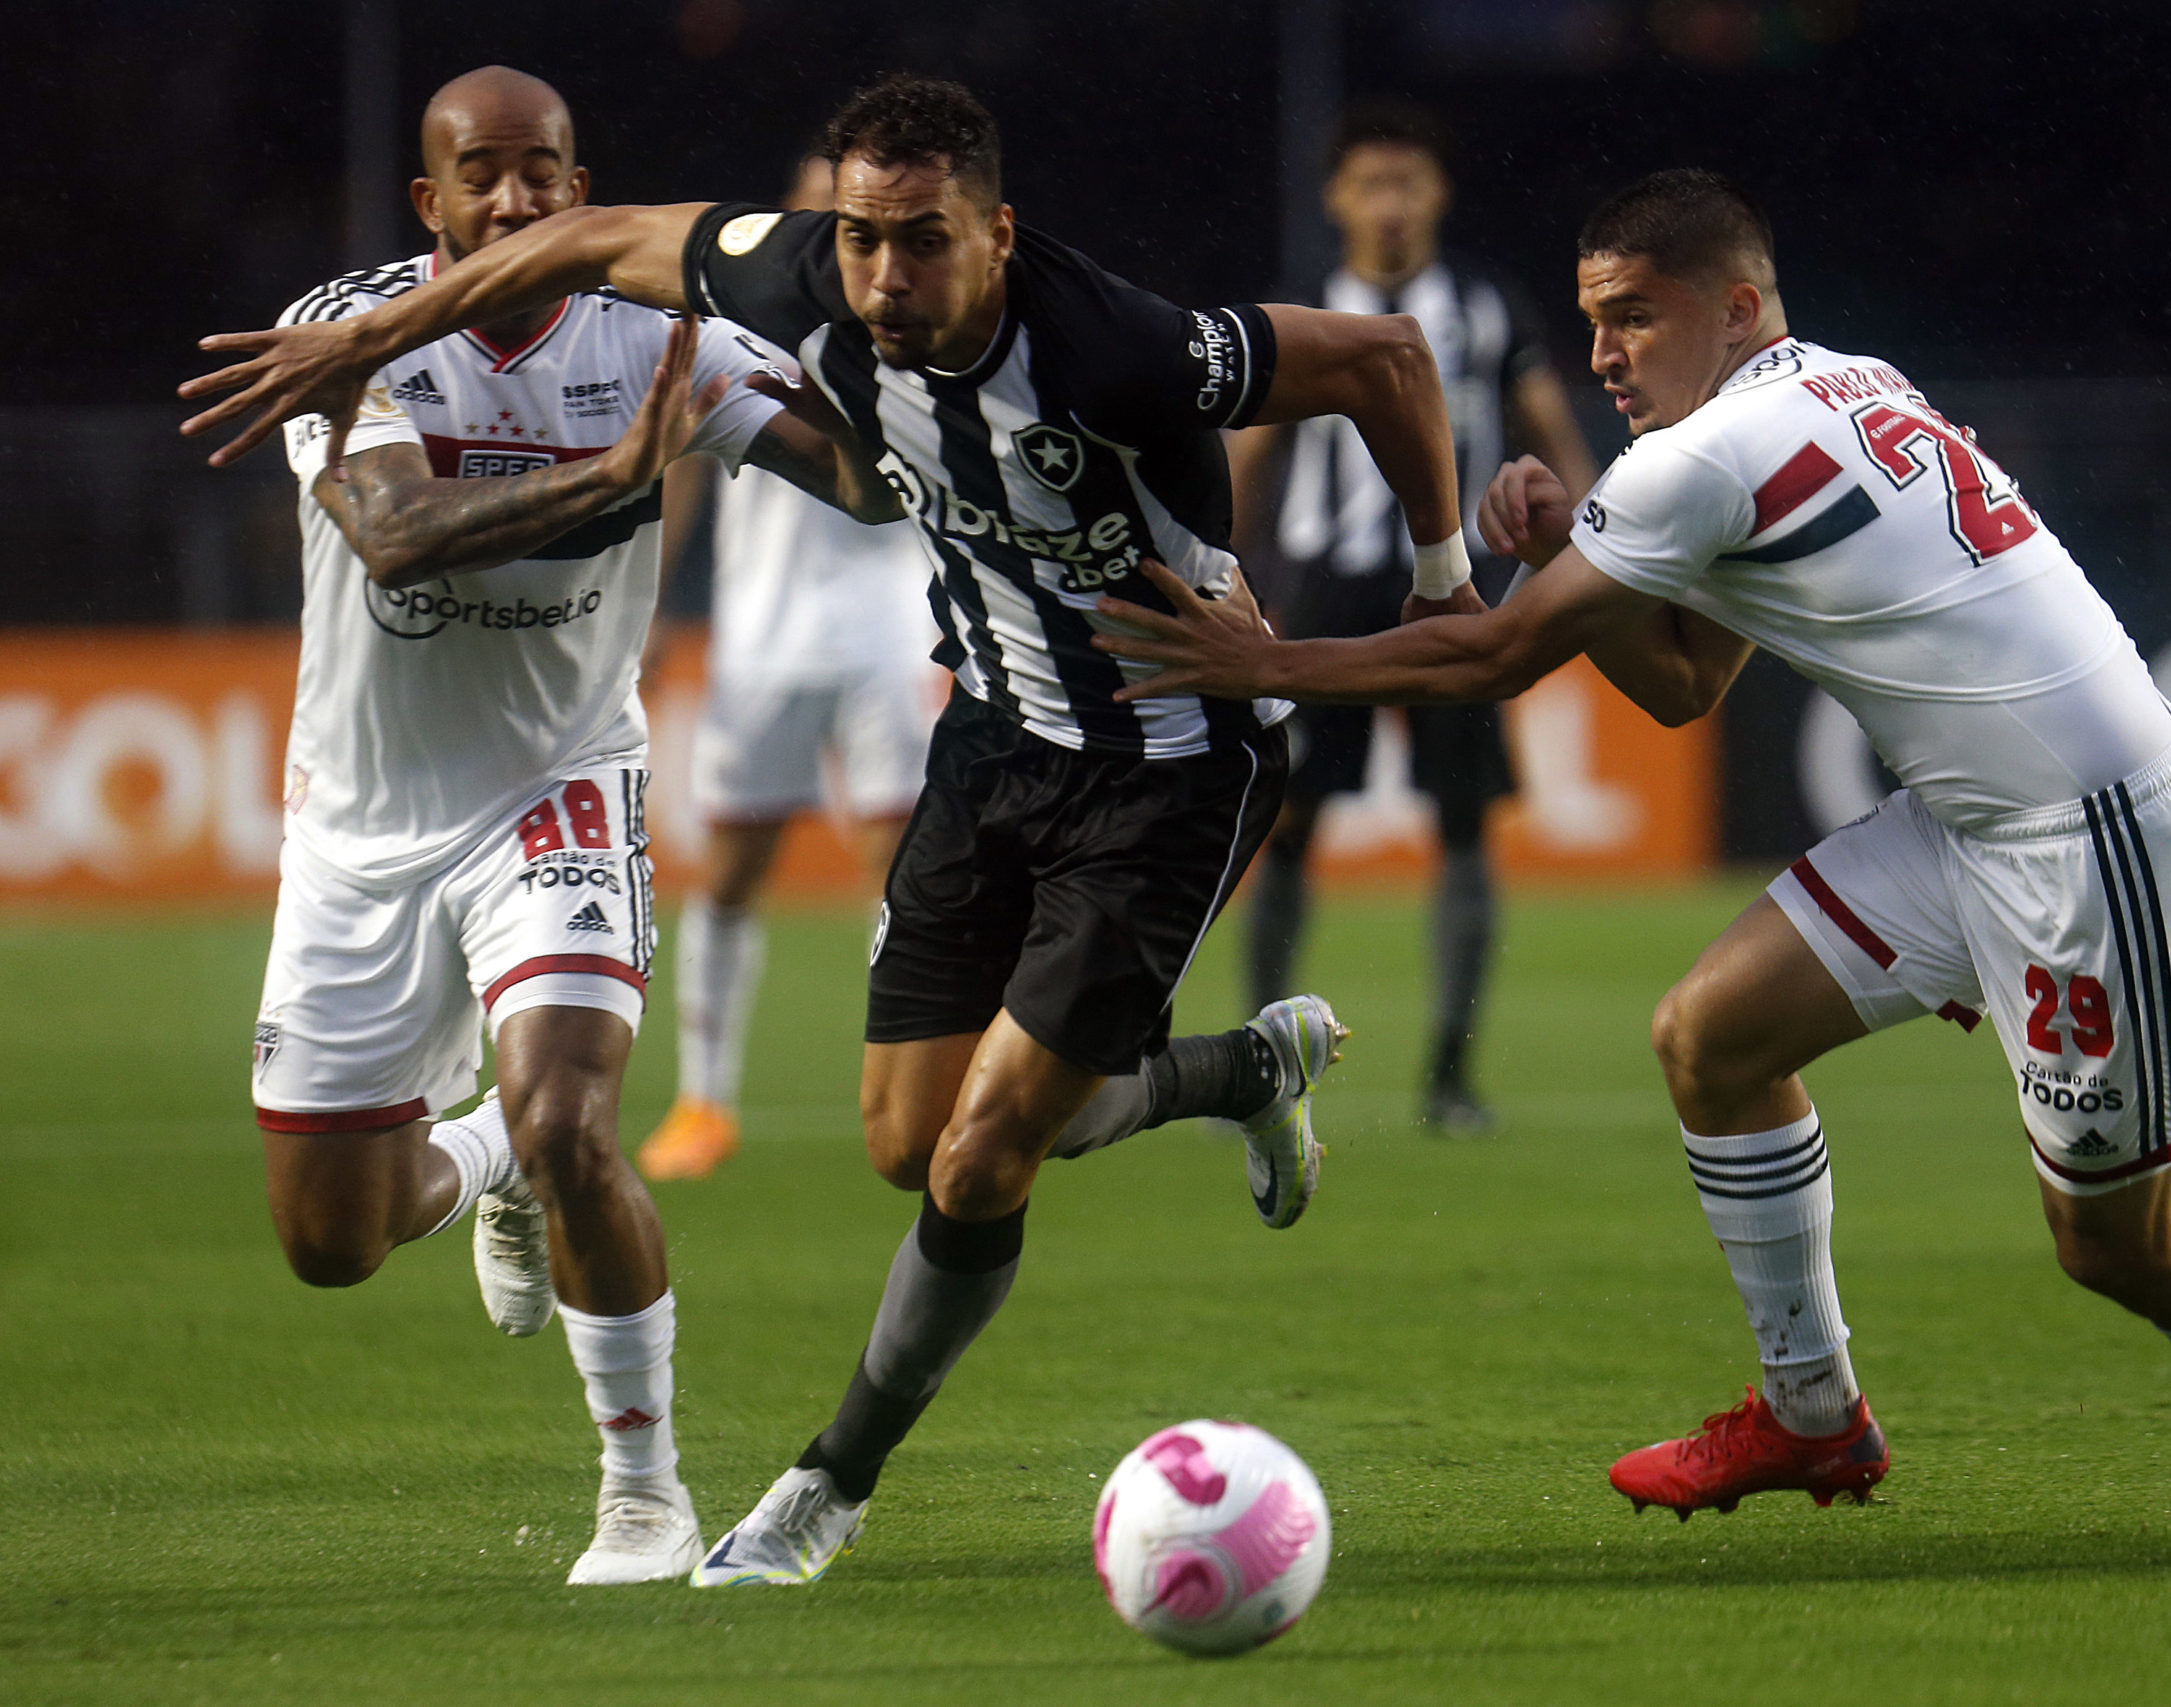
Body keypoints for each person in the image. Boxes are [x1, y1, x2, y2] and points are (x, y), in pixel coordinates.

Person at [184, 73, 1470, 1587]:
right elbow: (548, 314)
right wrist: (377, 344)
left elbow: (1378, 355)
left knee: (968, 1149)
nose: (881, 278)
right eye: (861, 241)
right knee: (898, 1143)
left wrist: (1441, 585)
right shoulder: (771, 274)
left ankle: (801, 1490)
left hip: (1158, 760)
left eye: (921, 243)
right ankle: (1237, 1066)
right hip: (970, 743)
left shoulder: (1114, 342)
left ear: (995, 233)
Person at [1093, 169, 2171, 1566]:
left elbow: (1495, 656)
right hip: (1976, 823)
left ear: (1735, 307)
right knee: (1713, 1033)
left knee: (2116, 1244)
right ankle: (1814, 1412)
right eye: (1592, 322)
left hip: (2104, 845)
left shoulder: (1702, 457)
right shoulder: (1839, 382)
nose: (1603, 354)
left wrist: (1264, 662)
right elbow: (1687, 679)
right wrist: (1568, 546)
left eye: (1633, 318)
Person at [216, 67, 896, 1584]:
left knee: (578, 1116)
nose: (518, 200)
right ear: (431, 203)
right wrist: (613, 476)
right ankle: (485, 1157)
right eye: (486, 176)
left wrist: (879, 356)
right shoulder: (356, 327)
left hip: (562, 784)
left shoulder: (659, 335)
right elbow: (391, 541)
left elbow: (862, 477)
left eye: (547, 174)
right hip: (364, 825)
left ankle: (643, 1494)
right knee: (333, 1237)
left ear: (584, 191)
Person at [1229, 100, 1598, 1130]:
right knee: (1290, 821)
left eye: (1409, 183)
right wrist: (1225, 567)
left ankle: (1449, 1076)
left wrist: (1606, 533)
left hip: (1459, 590)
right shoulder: (1302, 303)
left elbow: (1552, 429)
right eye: (1370, 184)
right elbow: (1251, 451)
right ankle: (1256, 1062)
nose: (1390, 205)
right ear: (1336, 198)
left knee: (1464, 823)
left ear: (1436, 195)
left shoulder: (1484, 304)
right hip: (1323, 591)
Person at [637, 151, 944, 1184]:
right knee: (731, 869)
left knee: (898, 865)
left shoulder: (914, 325)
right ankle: (704, 1101)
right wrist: (652, 604)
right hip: (761, 630)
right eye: (819, 211)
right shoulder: (737, 326)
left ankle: (905, 1089)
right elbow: (682, 455)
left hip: (891, 628)